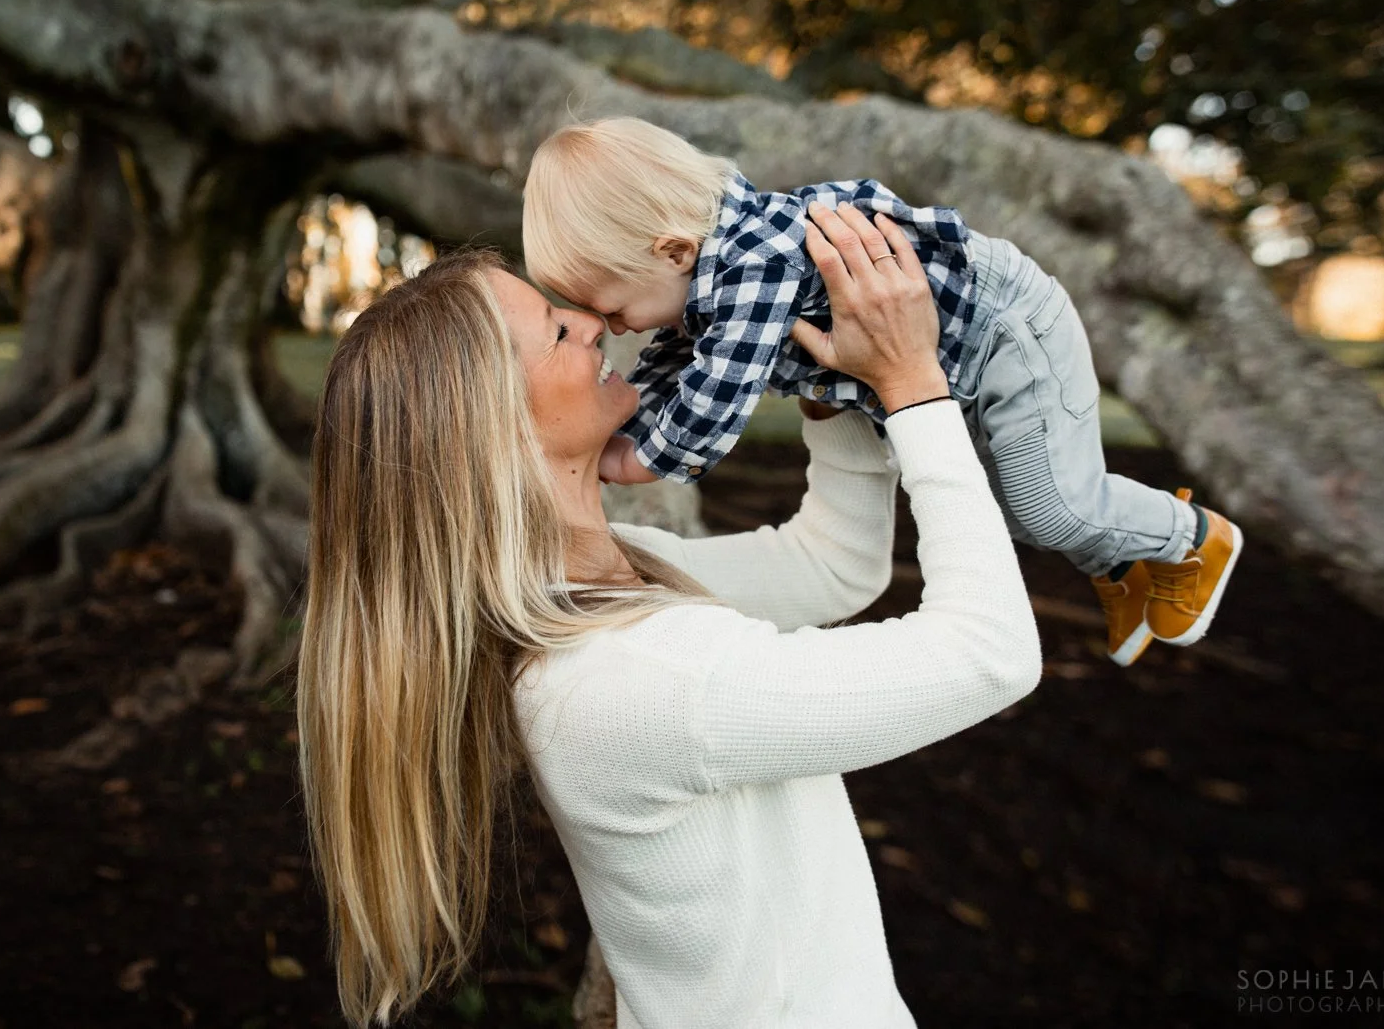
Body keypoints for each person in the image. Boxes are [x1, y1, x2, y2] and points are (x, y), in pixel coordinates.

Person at [296, 203, 1042, 1028]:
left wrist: (824, 380)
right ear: (496, 430)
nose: (591, 322)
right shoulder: (635, 675)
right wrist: (912, 384)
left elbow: (832, 566)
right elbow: (992, 651)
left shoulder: (603, 581)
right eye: (555, 330)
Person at [521, 116, 1243, 667]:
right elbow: (671, 364)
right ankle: (1120, 561)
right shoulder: (709, 279)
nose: (613, 328)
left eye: (614, 309)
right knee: (1023, 509)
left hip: (1005, 333)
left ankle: (1191, 537)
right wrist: (617, 421)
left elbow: (713, 400)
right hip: (963, 360)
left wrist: (635, 459)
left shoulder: (755, 261)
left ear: (673, 251)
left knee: (1052, 507)